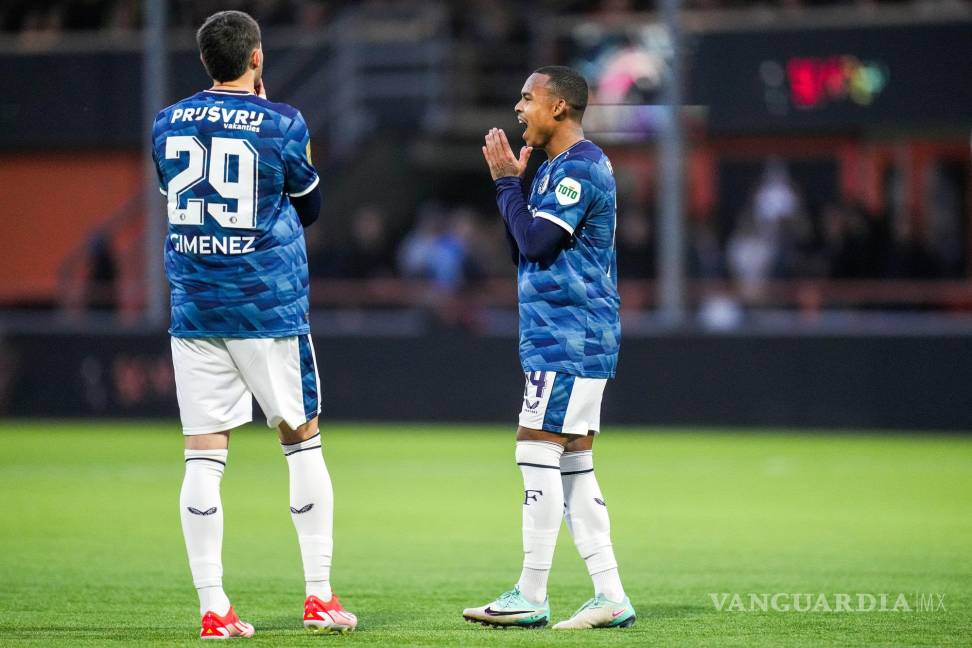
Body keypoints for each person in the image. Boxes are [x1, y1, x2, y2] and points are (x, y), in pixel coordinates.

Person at [151, 10, 356, 639]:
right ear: (257, 57)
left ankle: (214, 608)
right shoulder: (282, 122)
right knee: (302, 438)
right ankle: (318, 596)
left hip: (195, 306)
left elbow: (180, 198)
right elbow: (311, 207)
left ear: (204, 61)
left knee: (203, 452)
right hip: (266, 307)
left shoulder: (166, 122)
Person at [462, 66, 635, 630]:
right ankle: (610, 596)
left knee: (534, 448)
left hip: (571, 336)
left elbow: (537, 243)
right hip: (561, 335)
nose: (518, 108)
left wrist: (505, 184)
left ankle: (531, 593)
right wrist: (513, 186)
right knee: (574, 466)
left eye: (527, 98)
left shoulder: (580, 167)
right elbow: (522, 249)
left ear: (559, 106)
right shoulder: (553, 169)